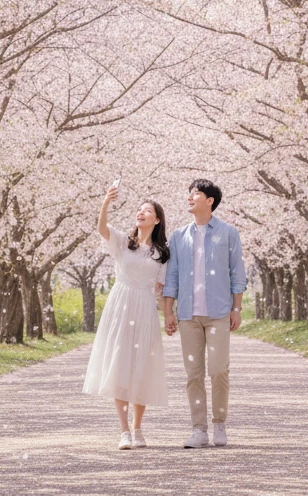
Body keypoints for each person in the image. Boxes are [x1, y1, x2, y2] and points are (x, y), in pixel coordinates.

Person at [82, 185, 169, 450]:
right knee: (120, 363)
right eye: (139, 209)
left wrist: (168, 316)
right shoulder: (123, 242)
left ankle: (138, 427)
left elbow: (162, 289)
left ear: (157, 219)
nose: (141, 213)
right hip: (120, 303)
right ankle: (123, 430)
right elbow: (102, 229)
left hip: (144, 305)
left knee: (140, 365)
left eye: (148, 211)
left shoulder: (162, 253)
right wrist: (105, 203)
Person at [163, 178, 246, 449]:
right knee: (193, 373)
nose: (190, 197)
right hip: (188, 314)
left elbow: (237, 272)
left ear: (210, 201)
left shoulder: (228, 232)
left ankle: (219, 423)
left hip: (219, 312)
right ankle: (199, 429)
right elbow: (172, 276)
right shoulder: (178, 236)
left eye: (195, 194)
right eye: (189, 193)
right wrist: (169, 312)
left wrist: (237, 308)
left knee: (219, 369)